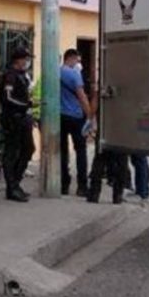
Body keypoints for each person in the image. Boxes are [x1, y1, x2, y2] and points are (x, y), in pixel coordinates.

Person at [0, 46, 35, 203]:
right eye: (26, 59)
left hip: (23, 117)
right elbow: (7, 98)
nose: (27, 62)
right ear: (18, 60)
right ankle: (12, 187)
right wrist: (26, 104)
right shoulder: (10, 75)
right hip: (13, 118)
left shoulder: (22, 75)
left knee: (28, 149)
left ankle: (15, 183)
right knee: (11, 152)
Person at [60, 49, 93, 196]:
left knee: (62, 151)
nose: (78, 64)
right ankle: (82, 186)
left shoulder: (56, 72)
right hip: (76, 116)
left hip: (60, 116)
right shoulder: (74, 74)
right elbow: (82, 97)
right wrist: (90, 116)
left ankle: (64, 184)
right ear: (71, 59)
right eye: (77, 61)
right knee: (80, 151)